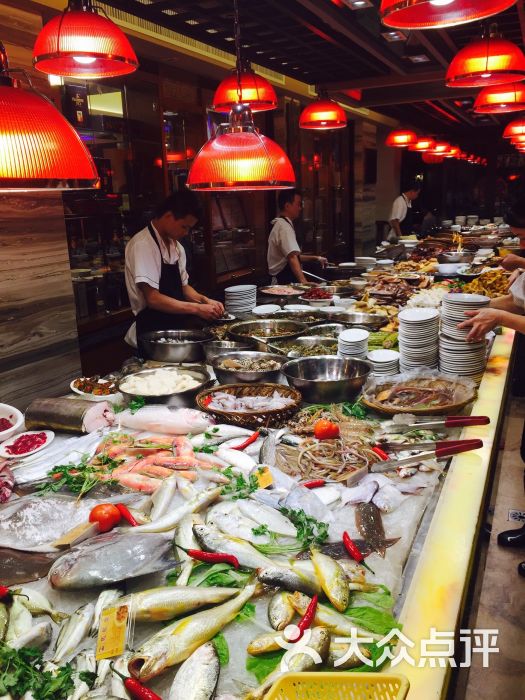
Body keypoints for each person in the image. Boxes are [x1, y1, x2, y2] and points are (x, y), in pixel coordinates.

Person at [124, 190, 224, 348]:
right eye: (184, 227)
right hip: (151, 333)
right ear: (169, 216)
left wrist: (205, 300)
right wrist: (197, 308)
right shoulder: (143, 245)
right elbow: (153, 299)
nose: (186, 233)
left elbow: (184, 288)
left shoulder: (176, 247)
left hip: (175, 329)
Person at [267, 189, 327, 284]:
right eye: (298, 204)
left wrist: (316, 258)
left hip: (285, 280)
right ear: (287, 206)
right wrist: (304, 282)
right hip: (283, 283)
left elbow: (294, 256)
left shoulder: (283, 224)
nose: (300, 208)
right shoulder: (284, 227)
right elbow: (292, 257)